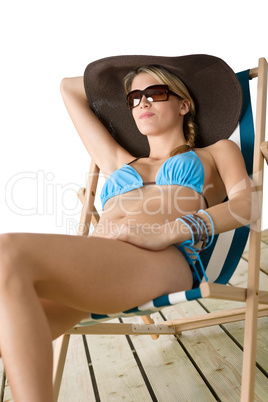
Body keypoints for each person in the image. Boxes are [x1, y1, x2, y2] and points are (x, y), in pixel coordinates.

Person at [0, 55, 259, 401]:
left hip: (164, 260)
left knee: (6, 253)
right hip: (102, 268)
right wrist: (137, 71)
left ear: (185, 104)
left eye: (155, 92)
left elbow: (247, 206)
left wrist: (167, 232)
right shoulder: (116, 159)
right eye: (134, 98)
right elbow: (70, 88)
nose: (143, 102)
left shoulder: (215, 152)